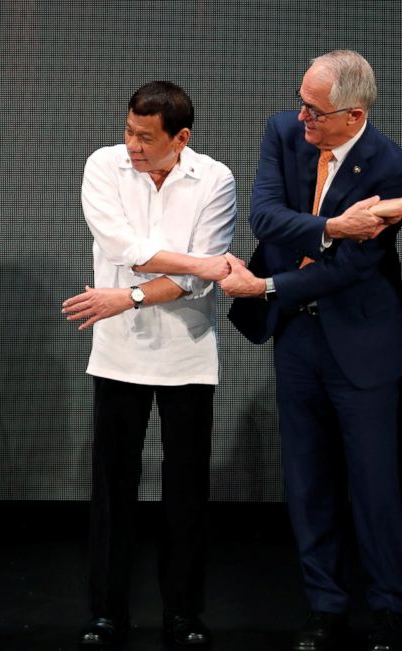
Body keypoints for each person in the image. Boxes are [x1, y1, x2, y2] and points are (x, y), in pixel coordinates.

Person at [224, 50, 402, 651]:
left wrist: (270, 283)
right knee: (307, 479)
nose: (301, 117)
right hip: (298, 339)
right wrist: (331, 228)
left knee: (374, 483)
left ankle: (387, 608)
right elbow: (265, 219)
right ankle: (325, 606)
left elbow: (354, 269)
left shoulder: (389, 164)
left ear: (353, 116)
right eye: (300, 102)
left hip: (363, 342)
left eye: (314, 111)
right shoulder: (283, 133)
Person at [61, 81, 235, 649]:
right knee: (113, 485)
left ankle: (183, 613)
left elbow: (185, 282)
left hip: (187, 352)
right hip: (118, 349)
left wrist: (129, 295)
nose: (132, 144)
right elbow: (121, 246)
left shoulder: (215, 179)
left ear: (180, 138)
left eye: (145, 137)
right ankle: (106, 612)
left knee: (186, 488)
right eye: (128, 130)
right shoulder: (104, 166)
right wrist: (206, 267)